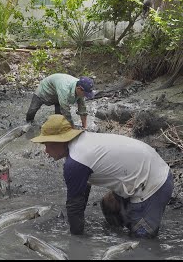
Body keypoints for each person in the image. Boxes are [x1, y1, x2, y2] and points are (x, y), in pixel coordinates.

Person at [30, 114, 174, 238]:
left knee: (141, 242)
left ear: (59, 141)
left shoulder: (75, 162)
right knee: (109, 204)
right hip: (145, 169)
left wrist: (76, 242)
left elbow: (74, 206)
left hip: (154, 184)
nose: (45, 151)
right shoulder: (79, 147)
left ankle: (137, 231)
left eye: (47, 144)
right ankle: (118, 236)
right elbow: (81, 195)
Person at [26, 73, 95, 129]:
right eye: (85, 94)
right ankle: (28, 124)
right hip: (44, 90)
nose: (85, 96)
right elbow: (66, 112)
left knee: (59, 119)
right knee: (32, 110)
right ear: (79, 88)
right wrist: (73, 129)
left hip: (57, 94)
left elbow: (82, 109)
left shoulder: (81, 89)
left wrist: (84, 127)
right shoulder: (65, 89)